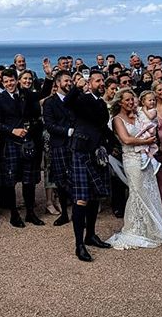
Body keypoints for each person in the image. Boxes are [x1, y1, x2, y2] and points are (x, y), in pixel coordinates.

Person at [106, 88, 162, 250]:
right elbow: (126, 140)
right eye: (127, 100)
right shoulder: (117, 119)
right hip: (131, 160)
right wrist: (145, 142)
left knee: (150, 190)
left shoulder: (138, 116)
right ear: (120, 102)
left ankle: (152, 228)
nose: (131, 103)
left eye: (132, 99)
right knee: (137, 192)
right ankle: (135, 228)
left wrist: (150, 140)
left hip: (145, 159)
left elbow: (149, 127)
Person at [64, 71, 112, 262]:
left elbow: (102, 127)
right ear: (89, 83)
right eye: (98, 80)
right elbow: (66, 103)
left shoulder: (101, 103)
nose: (101, 83)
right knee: (81, 199)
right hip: (81, 151)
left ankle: (90, 235)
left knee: (94, 197)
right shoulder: (81, 99)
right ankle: (79, 245)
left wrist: (114, 145)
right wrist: (77, 87)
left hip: (96, 153)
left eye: (102, 80)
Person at [0, 68, 45, 228]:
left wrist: (48, 76)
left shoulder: (27, 94)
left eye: (11, 80)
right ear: (3, 83)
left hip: (28, 141)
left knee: (29, 180)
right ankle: (14, 214)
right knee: (10, 181)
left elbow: (40, 103)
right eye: (6, 81)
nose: (9, 84)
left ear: (17, 80)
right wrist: (12, 130)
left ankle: (30, 212)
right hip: (11, 143)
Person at [42, 70, 75, 227]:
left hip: (76, 144)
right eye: (66, 81)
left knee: (76, 179)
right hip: (60, 145)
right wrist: (67, 131)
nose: (69, 83)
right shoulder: (50, 102)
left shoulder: (76, 99)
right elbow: (49, 124)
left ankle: (77, 212)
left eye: (70, 81)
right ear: (57, 83)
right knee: (61, 181)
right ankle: (64, 214)